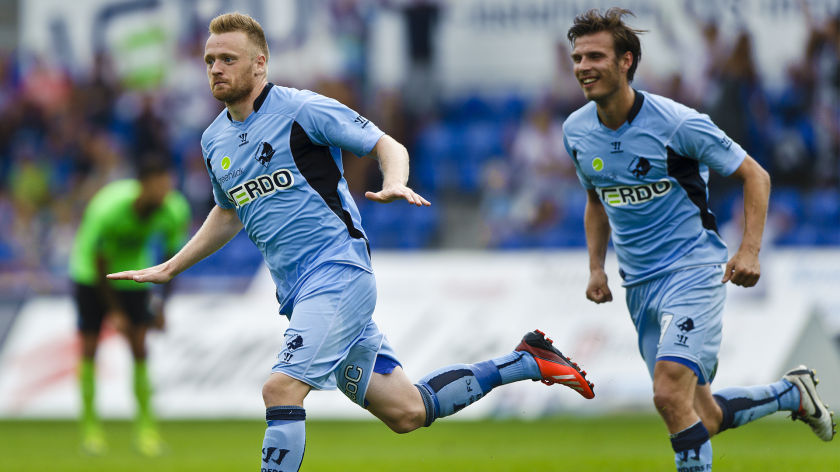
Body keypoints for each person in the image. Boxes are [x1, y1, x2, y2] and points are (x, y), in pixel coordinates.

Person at [108, 12, 594, 471]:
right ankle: (527, 359)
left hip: (337, 274)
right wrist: (172, 266)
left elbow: (386, 144)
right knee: (408, 411)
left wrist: (396, 179)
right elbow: (228, 212)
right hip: (298, 293)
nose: (216, 68)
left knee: (281, 389)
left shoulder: (301, 109)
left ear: (260, 63)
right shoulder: (214, 141)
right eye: (210, 60)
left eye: (228, 59)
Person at [562, 8, 835, 471]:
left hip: (692, 271)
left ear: (626, 61)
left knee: (668, 393)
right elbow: (596, 200)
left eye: (595, 56)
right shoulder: (576, 130)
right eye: (577, 57)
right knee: (700, 416)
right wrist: (595, 267)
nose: (583, 66)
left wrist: (749, 249)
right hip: (639, 285)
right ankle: (793, 393)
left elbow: (756, 175)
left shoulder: (676, 123)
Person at [69, 160, 190, 456]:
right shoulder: (109, 208)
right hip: (90, 277)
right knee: (89, 348)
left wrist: (162, 304)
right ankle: (90, 431)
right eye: (159, 186)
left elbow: (172, 259)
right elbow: (99, 262)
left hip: (133, 275)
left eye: (168, 185)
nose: (165, 192)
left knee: (139, 348)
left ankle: (147, 431)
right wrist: (117, 313)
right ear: (143, 185)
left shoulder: (174, 210)